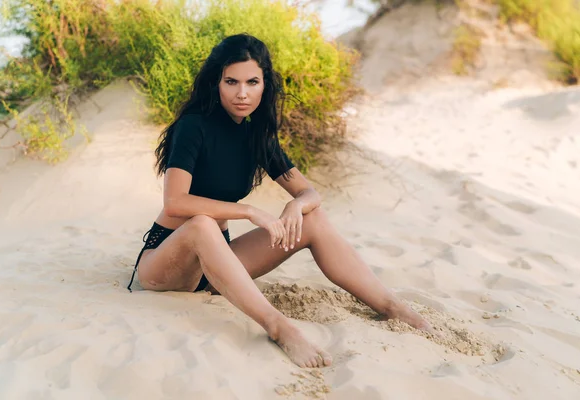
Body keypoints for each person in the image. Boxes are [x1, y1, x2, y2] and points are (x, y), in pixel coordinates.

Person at [127, 33, 434, 368]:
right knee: (201, 224)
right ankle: (279, 327)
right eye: (231, 82)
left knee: (312, 219)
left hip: (216, 269)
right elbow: (175, 202)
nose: (242, 93)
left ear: (264, 85)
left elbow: (310, 194)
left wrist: (295, 206)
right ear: (217, 82)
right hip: (167, 264)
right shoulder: (194, 127)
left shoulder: (257, 135)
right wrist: (248, 211)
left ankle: (391, 307)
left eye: (251, 82)